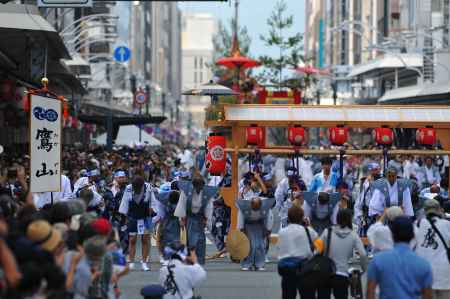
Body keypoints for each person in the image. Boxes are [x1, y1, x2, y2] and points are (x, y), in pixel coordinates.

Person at [367, 216, 433, 299]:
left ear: (392, 234)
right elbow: (427, 296)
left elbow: (370, 292)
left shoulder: (378, 261)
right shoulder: (424, 264)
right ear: (413, 236)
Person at [318, 209, 368, 299]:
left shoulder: (327, 231)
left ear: (337, 219)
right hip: (342, 274)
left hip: (325, 273)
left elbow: (316, 249)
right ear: (350, 219)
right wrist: (363, 269)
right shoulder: (353, 235)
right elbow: (363, 254)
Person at [174, 173, 218, 265]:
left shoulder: (207, 192)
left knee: (201, 239)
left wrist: (207, 219)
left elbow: (209, 207)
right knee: (191, 239)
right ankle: (191, 260)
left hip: (200, 218)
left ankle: (200, 261)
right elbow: (182, 204)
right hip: (189, 218)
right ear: (193, 185)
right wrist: (181, 219)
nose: (199, 189)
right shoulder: (186, 190)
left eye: (200, 187)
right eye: (197, 187)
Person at [277, 206, 318, 299]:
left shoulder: (282, 232)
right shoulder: (308, 231)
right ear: (302, 218)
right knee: (308, 295)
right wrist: (309, 225)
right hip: (304, 268)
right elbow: (320, 245)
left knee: (288, 295)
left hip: (286, 268)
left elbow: (279, 248)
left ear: (288, 217)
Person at [118, 175, 157, 271]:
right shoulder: (128, 188)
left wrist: (153, 209)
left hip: (145, 216)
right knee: (132, 239)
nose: (137, 190)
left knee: (145, 239)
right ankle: (131, 262)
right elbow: (124, 203)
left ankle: (144, 263)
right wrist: (124, 217)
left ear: (142, 185)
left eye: (139, 188)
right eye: (135, 188)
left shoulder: (148, 187)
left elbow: (153, 202)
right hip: (133, 215)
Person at [414, 199, 450, 299]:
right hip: (445, 273)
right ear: (439, 210)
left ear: (425, 211)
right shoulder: (447, 225)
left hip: (424, 272)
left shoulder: (418, 224)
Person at [237, 196, 274, 271]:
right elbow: (240, 218)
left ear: (260, 205)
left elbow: (269, 218)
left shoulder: (266, 206)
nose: (255, 209)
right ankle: (246, 264)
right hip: (247, 225)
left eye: (257, 207)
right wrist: (241, 230)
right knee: (249, 245)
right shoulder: (244, 205)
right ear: (251, 204)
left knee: (260, 245)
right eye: (254, 207)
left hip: (260, 225)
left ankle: (259, 264)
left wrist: (268, 230)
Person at [354, 162, 382, 237]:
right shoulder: (364, 183)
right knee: (365, 235)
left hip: (379, 214)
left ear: (379, 170)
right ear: (369, 171)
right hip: (366, 213)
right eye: (372, 170)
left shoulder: (383, 182)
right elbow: (360, 200)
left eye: (376, 170)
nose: (375, 172)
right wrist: (359, 214)